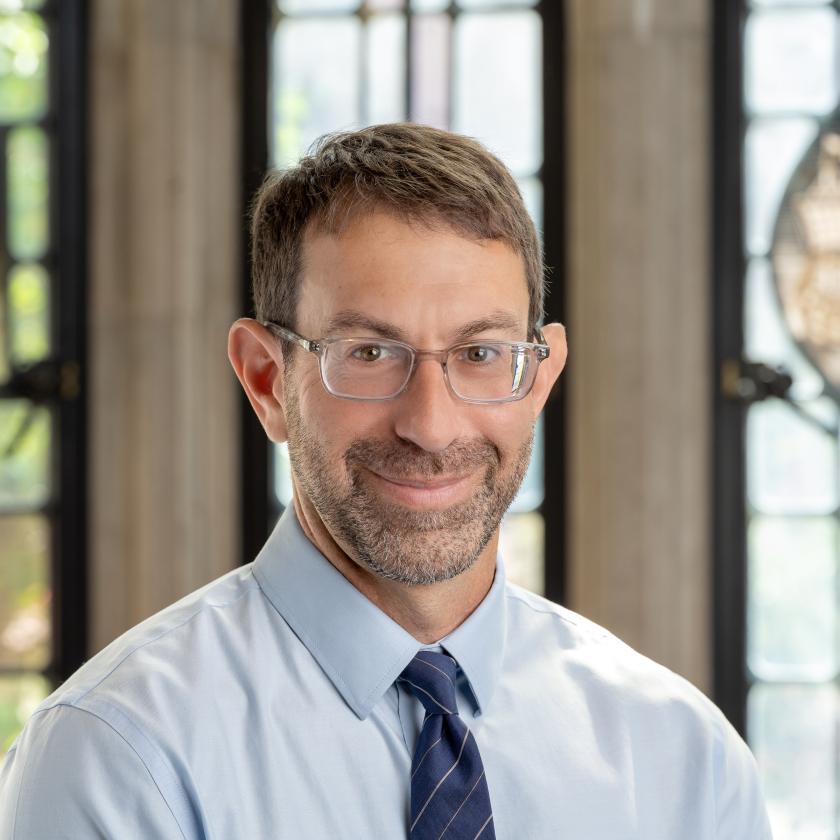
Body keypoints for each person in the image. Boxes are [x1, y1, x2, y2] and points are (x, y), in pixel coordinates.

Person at [0, 124, 772, 840]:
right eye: (368, 354)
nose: (431, 427)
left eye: (480, 354)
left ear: (539, 379)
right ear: (267, 380)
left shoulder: (683, 761)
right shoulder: (121, 754)